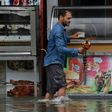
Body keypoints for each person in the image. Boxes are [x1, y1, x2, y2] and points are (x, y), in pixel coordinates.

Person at [44, 10, 86, 100]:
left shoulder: (58, 29)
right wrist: (77, 50)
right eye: (68, 18)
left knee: (51, 90)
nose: (70, 20)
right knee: (62, 86)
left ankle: (44, 106)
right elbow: (61, 49)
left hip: (51, 62)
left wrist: (71, 37)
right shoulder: (58, 31)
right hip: (55, 62)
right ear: (61, 17)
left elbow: (60, 40)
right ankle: (61, 107)